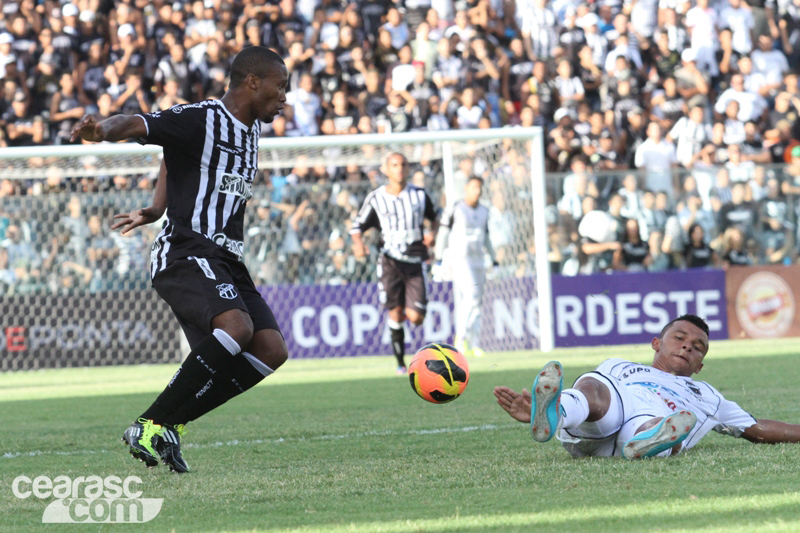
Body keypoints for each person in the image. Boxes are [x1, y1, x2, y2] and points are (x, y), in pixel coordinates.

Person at [69, 46, 290, 473]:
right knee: (237, 327)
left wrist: (155, 206)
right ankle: (151, 422)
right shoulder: (202, 117)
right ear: (252, 82)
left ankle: (168, 425)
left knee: (270, 350)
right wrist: (102, 132)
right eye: (280, 88)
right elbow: (138, 123)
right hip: (186, 251)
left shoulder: (250, 129)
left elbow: (176, 158)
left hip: (227, 259)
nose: (284, 98)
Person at [494, 314, 800, 459]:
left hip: (645, 423)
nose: (687, 348)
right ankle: (556, 412)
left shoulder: (708, 395)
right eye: (679, 338)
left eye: (697, 347)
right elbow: (602, 395)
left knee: (663, 423)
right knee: (594, 385)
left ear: (700, 365)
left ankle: (654, 439)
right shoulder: (620, 366)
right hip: (606, 419)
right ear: (656, 343)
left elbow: (755, 427)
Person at [350, 152, 438, 374]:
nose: (400, 168)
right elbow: (357, 227)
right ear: (386, 169)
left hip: (416, 260)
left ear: (408, 169)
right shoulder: (376, 198)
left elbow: (435, 218)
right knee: (395, 313)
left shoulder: (419, 195)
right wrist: (358, 245)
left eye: (404, 164)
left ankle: (411, 312)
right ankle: (400, 364)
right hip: (389, 262)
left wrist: (433, 234)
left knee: (416, 317)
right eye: (395, 165)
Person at [434, 177, 497, 358]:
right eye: (473, 187)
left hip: (479, 259)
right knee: (471, 296)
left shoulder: (485, 210)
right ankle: (460, 339)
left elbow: (486, 237)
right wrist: (439, 258)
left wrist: (494, 260)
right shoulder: (456, 208)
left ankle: (474, 342)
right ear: (466, 189)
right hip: (460, 258)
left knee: (477, 301)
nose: (477, 191)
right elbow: (443, 233)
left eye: (479, 187)